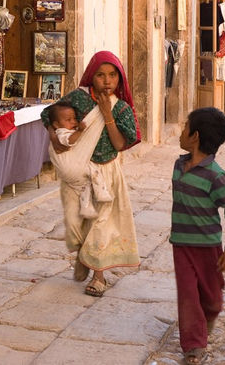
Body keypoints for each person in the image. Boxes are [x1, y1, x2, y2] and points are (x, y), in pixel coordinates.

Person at [40, 50, 141, 297]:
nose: (107, 81)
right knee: (82, 223)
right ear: (91, 77)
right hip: (80, 174)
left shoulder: (121, 109)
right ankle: (86, 257)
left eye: (112, 76)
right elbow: (48, 114)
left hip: (107, 174)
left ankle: (99, 277)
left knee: (102, 223)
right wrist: (54, 137)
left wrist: (107, 115)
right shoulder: (78, 99)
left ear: (120, 79)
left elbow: (119, 144)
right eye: (100, 75)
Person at [170, 107, 225, 365]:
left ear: (195, 136)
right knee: (188, 295)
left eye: (185, 126)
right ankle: (193, 346)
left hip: (208, 247)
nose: (180, 131)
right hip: (181, 245)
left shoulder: (215, 175)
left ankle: (207, 318)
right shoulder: (179, 165)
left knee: (211, 300)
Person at [46, 100, 113, 219]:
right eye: (68, 120)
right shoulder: (61, 133)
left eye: (74, 119)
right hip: (70, 165)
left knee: (85, 186)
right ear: (56, 125)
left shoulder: (65, 129)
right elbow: (69, 141)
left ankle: (86, 208)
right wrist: (80, 131)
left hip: (74, 166)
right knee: (94, 169)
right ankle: (101, 191)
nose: (73, 122)